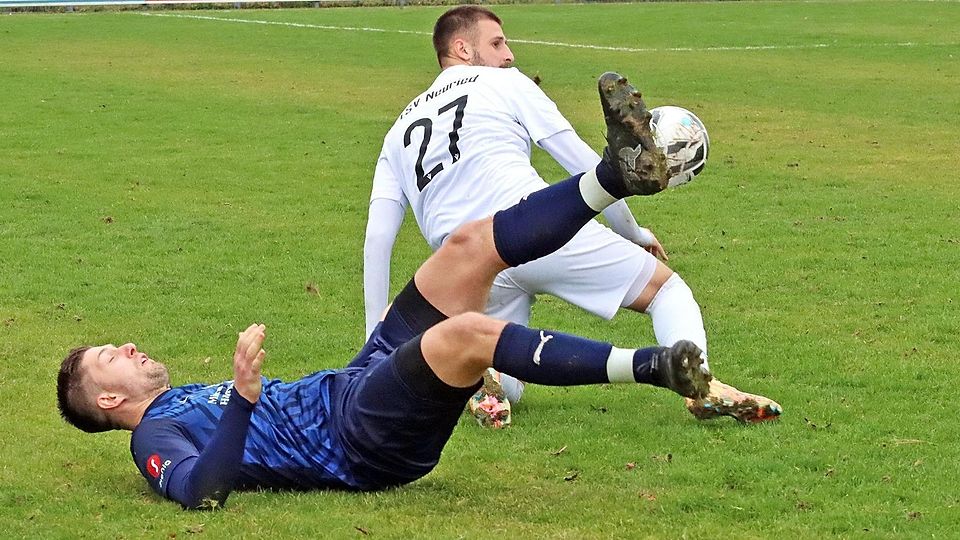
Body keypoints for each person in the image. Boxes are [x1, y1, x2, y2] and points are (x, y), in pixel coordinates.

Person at [58, 81, 713, 509]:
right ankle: (656, 367)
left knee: (465, 246)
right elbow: (202, 491)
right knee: (459, 337)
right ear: (110, 400)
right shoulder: (155, 438)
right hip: (359, 443)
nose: (128, 345)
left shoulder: (173, 401)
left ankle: (614, 176)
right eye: (110, 356)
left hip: (353, 386)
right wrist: (245, 400)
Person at [363, 5, 781, 426]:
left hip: (464, 263)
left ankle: (484, 382)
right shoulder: (504, 82)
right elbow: (592, 167)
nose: (509, 54)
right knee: (667, 292)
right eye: (496, 42)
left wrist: (372, 348)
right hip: (530, 228)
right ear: (461, 48)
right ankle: (701, 388)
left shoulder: (397, 130)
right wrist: (633, 233)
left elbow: (378, 239)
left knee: (496, 361)